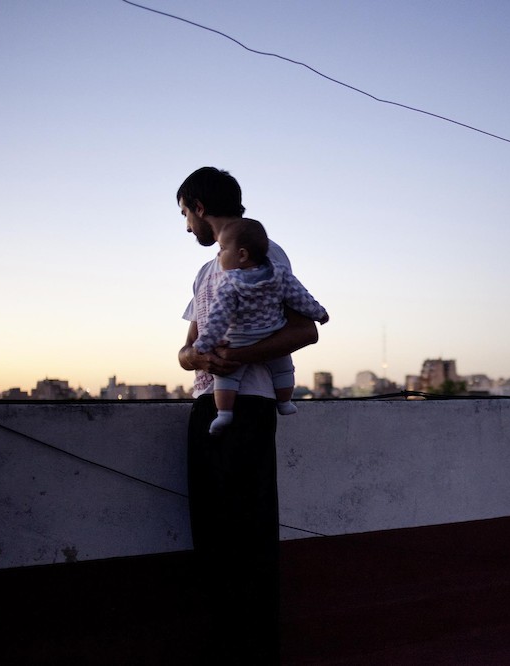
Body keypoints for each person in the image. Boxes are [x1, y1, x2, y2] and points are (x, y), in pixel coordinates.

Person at [176, 166, 319, 664]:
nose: (186, 227)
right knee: (212, 535)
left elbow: (306, 330)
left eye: (185, 214)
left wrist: (237, 357)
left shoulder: (261, 251)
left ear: (199, 207)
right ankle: (226, 643)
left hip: (251, 407)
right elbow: (186, 350)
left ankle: (254, 650)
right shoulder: (205, 272)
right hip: (207, 407)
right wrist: (199, 360)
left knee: (248, 535)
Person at [192, 217, 329, 434]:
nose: (219, 255)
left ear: (242, 254)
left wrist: (205, 345)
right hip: (270, 331)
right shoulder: (277, 273)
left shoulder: (228, 281)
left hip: (241, 351)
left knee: (227, 379)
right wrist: (319, 312)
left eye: (223, 249)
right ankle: (285, 402)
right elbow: (300, 296)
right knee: (284, 368)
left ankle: (224, 413)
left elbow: (218, 319)